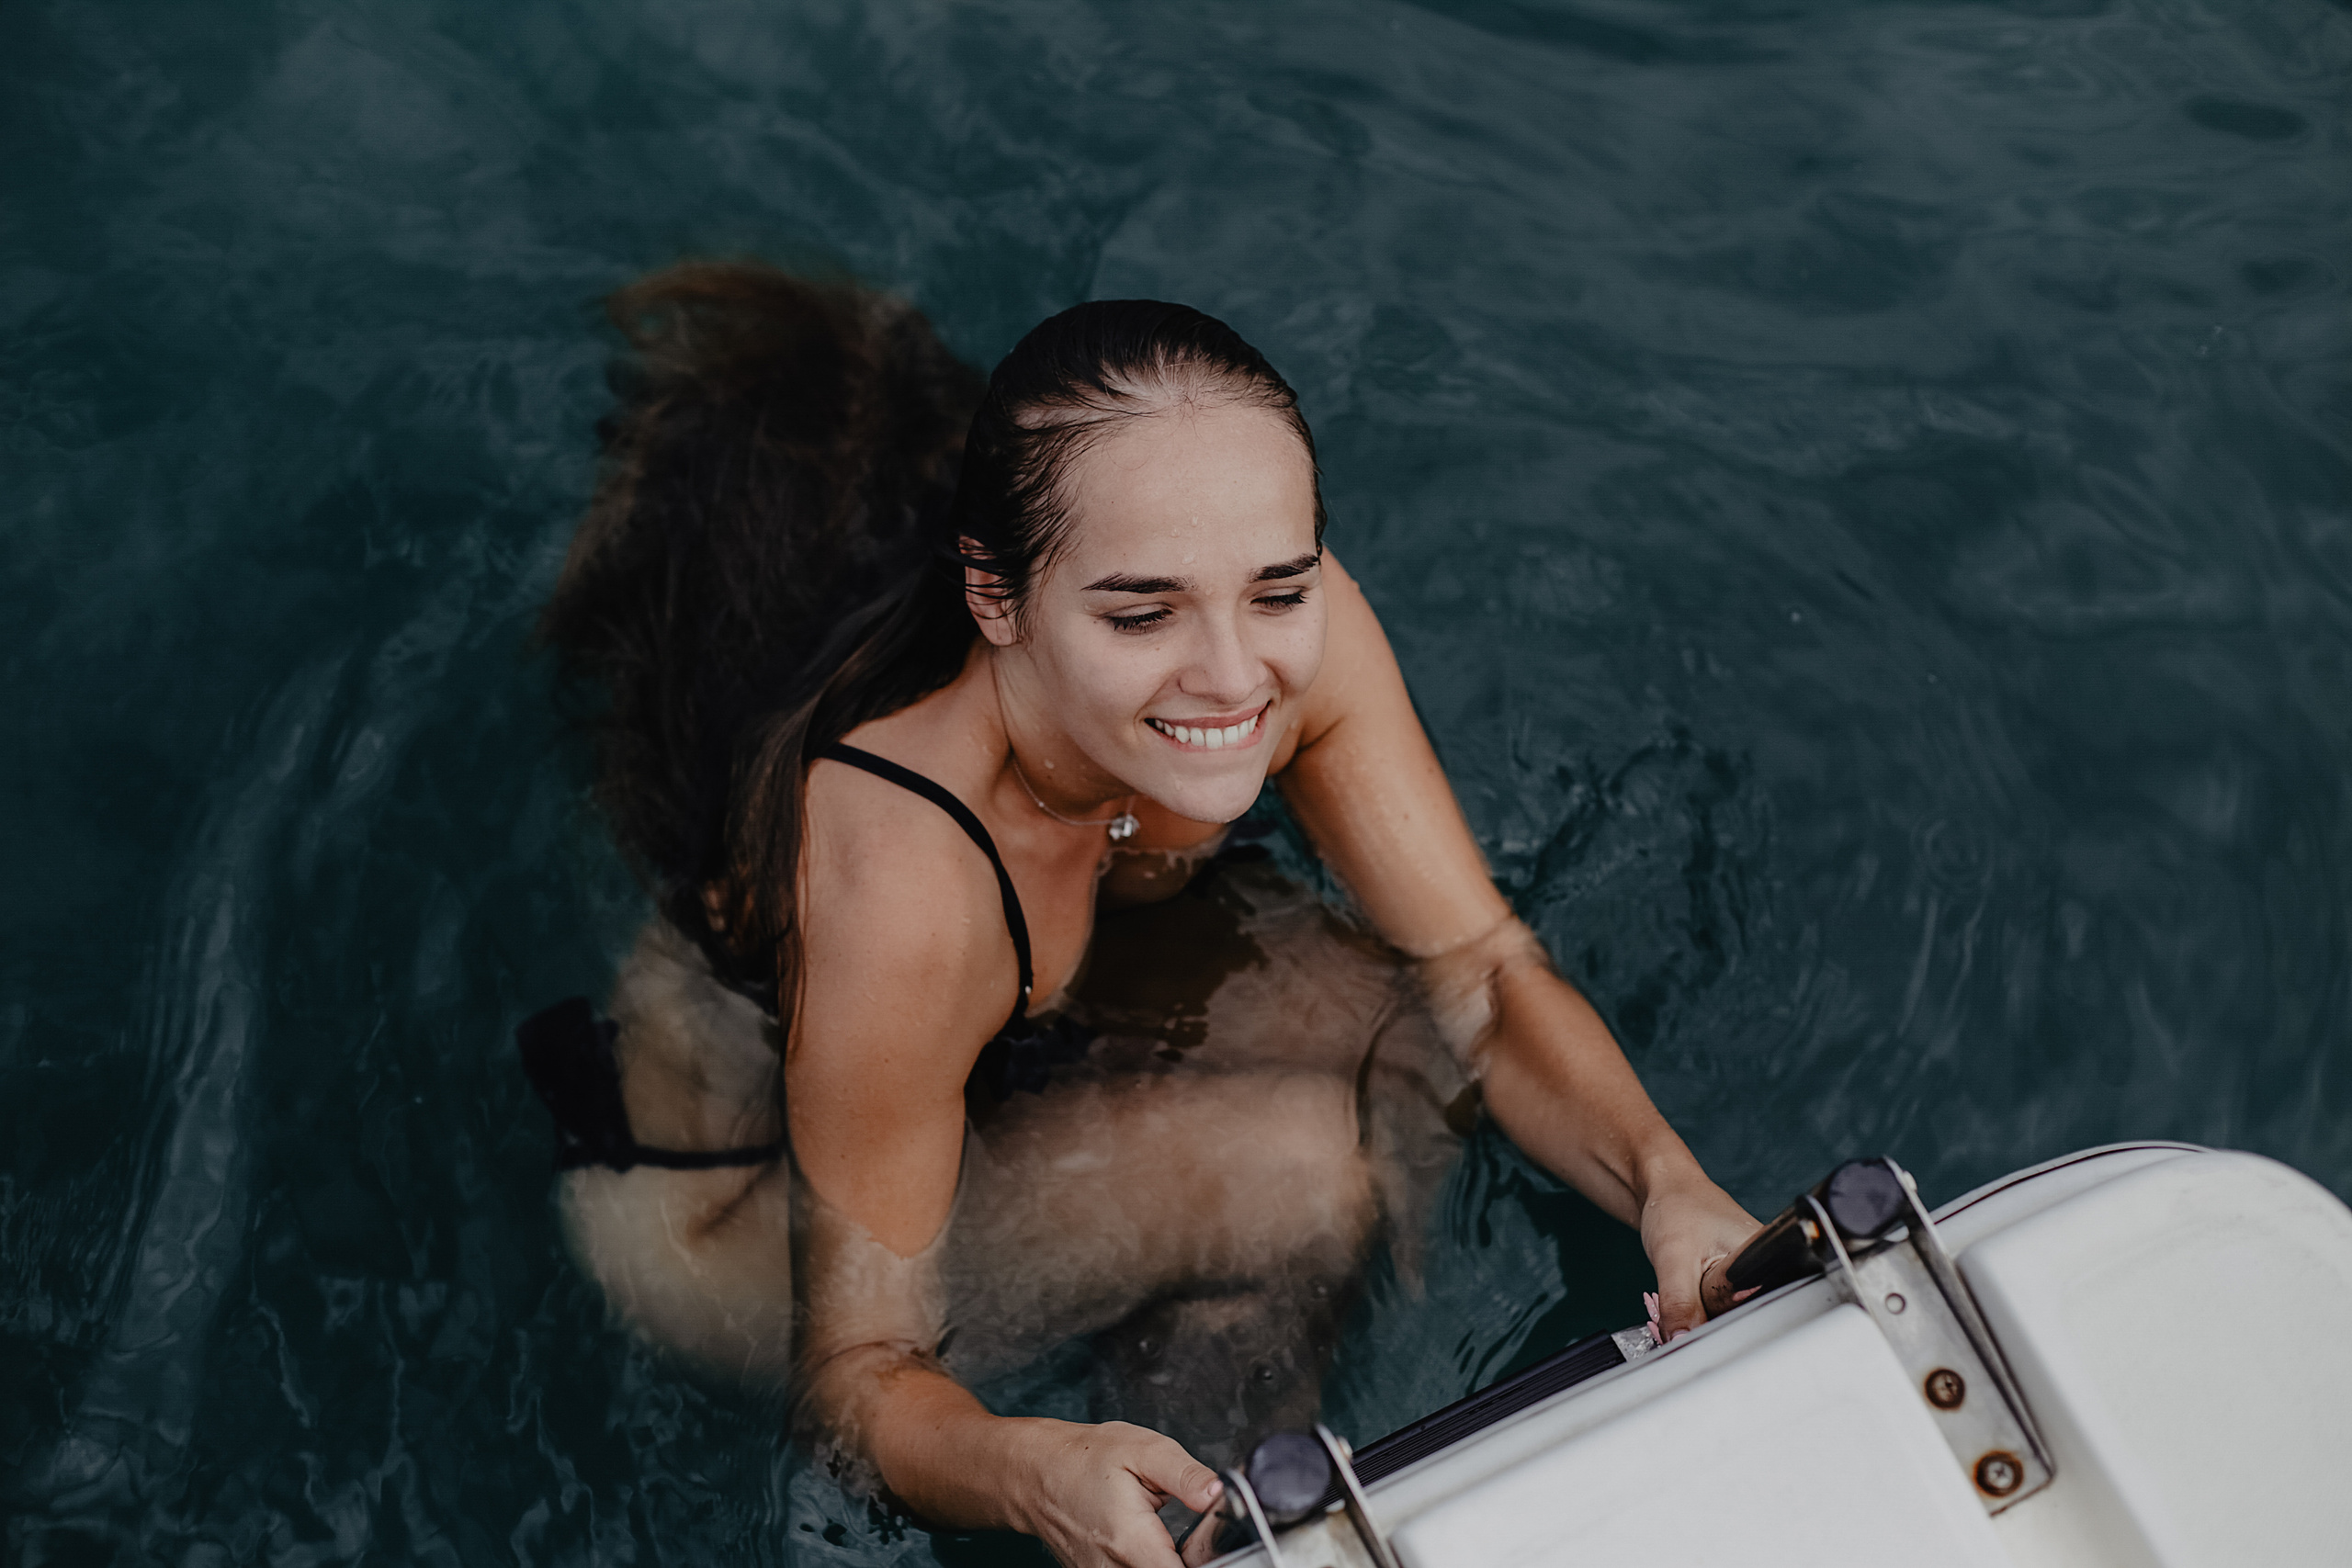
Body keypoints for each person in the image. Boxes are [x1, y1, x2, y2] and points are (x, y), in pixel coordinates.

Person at [529, 263, 1758, 1568]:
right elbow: (859, 1375)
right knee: (1299, 1173)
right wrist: (1023, 1467)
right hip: (725, 1201)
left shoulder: (1289, 638)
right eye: (1140, 610)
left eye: (1276, 590)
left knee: (1399, 1047)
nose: (1236, 678)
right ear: (997, 599)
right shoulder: (902, 880)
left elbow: (1483, 972)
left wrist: (1671, 1188)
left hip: (1016, 1006)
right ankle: (1217, 1536)